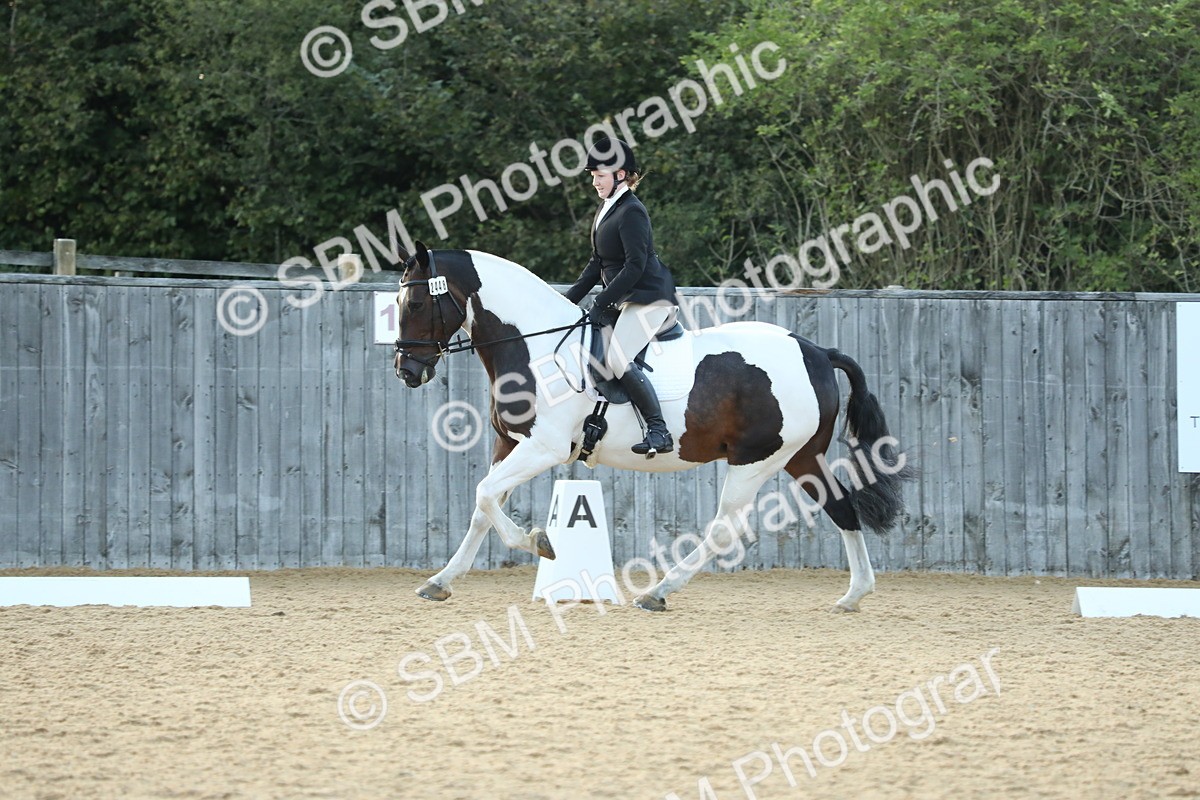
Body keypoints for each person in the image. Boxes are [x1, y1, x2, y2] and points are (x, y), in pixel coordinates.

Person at [563, 137, 679, 456]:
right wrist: (566, 302)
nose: (594, 182)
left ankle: (659, 430)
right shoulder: (607, 209)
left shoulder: (632, 211)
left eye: (599, 175)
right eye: (593, 176)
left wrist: (602, 301)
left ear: (619, 174)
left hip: (649, 296)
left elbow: (635, 264)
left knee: (617, 359)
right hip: (625, 298)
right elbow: (596, 263)